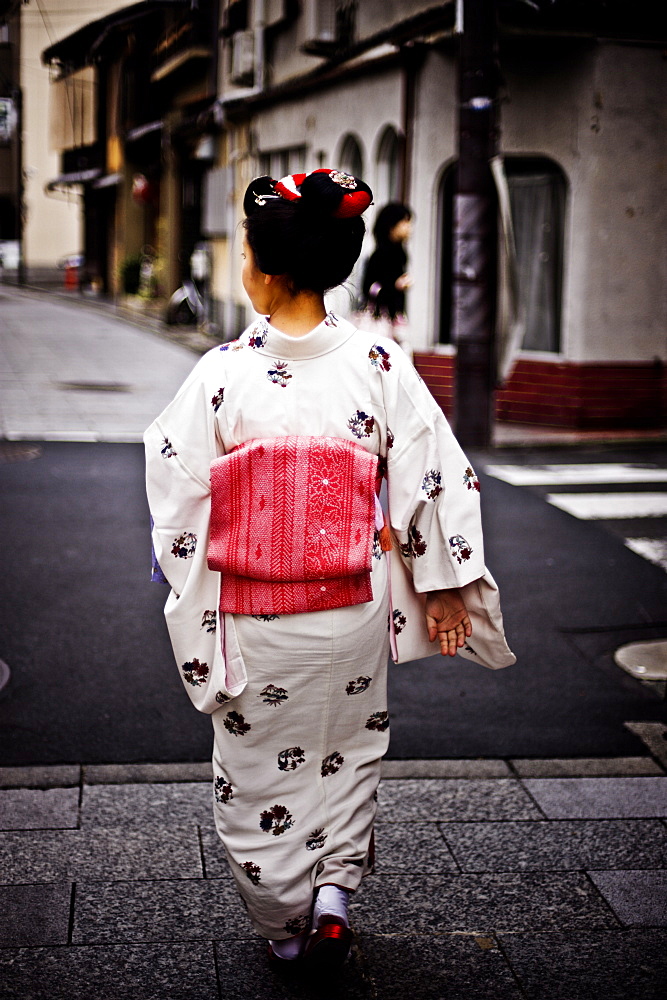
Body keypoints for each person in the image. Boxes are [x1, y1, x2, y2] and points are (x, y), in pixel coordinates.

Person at [144, 168, 513, 974]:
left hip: (256, 617)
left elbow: (175, 489)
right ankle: (336, 892)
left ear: (265, 269)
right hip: (350, 609)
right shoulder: (379, 361)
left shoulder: (221, 374)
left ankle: (284, 922)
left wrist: (189, 573)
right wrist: (443, 583)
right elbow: (431, 475)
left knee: (251, 770)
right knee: (348, 749)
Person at [358, 202, 413, 347]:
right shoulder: (380, 255)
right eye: (405, 222)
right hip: (380, 323)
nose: (409, 228)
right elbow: (369, 288)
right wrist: (394, 285)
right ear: (391, 226)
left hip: (394, 324)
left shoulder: (399, 254)